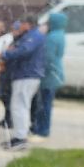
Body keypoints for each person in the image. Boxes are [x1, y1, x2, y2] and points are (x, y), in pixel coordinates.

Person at [0, 14, 46, 150]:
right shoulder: (30, 35)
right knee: (19, 106)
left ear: (28, 23)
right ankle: (19, 136)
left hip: (26, 75)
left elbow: (24, 51)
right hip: (24, 75)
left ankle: (20, 139)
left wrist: (4, 55)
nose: (20, 25)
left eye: (22, 22)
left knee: (20, 106)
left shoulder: (34, 36)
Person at [32, 9, 66, 137]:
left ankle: (42, 129)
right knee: (46, 102)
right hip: (55, 72)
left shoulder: (52, 37)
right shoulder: (60, 34)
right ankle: (41, 127)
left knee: (44, 103)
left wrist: (40, 70)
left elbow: (48, 58)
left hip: (49, 75)